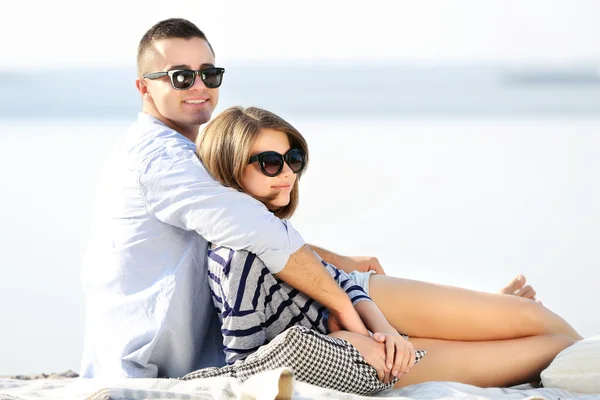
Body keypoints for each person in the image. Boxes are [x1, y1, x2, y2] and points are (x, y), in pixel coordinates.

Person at [196, 105, 584, 388]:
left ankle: (488, 313)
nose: (288, 174)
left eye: (293, 159)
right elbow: (245, 363)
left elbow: (335, 279)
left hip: (372, 306)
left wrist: (382, 328)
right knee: (549, 346)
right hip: (360, 360)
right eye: (269, 163)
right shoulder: (236, 260)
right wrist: (352, 342)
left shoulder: (268, 226)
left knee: (534, 317)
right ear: (231, 166)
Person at [80, 17, 372, 379]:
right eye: (181, 77)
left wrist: (340, 262)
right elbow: (259, 231)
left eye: (209, 74)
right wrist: (345, 305)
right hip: (146, 369)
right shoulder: (163, 160)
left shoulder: (176, 153)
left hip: (149, 358)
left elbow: (246, 232)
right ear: (144, 88)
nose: (199, 86)